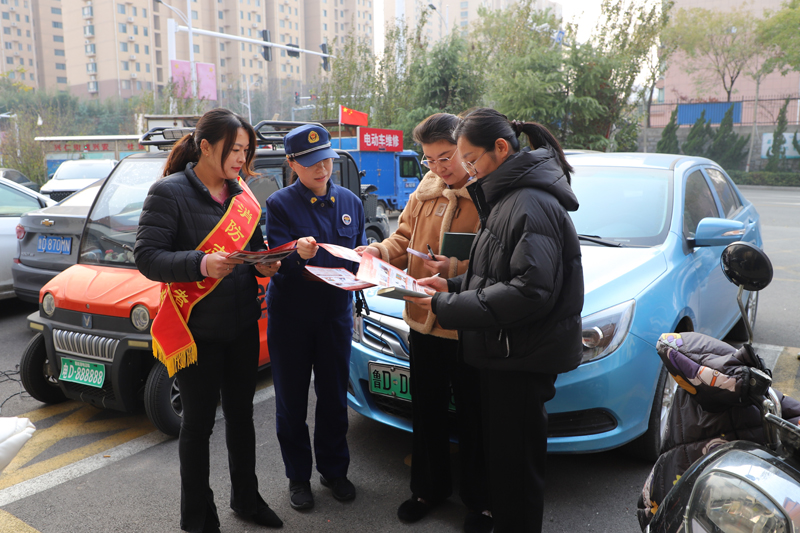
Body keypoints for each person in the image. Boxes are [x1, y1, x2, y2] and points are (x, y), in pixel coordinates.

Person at [407, 108, 584, 533]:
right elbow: (497, 273)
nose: (466, 170)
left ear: (500, 148)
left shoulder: (529, 202)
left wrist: (448, 305)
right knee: (506, 469)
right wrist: (452, 285)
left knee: (515, 475)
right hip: (505, 350)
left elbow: (530, 291)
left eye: (469, 159)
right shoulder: (507, 196)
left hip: (519, 355)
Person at [135, 108, 283, 533]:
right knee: (197, 427)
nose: (241, 159)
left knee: (241, 418)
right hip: (196, 332)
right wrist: (200, 264)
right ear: (205, 146)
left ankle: (247, 499)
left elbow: (254, 249)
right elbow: (147, 257)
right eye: (234, 150)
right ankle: (198, 517)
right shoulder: (169, 192)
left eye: (246, 151)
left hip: (242, 326)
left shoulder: (243, 196)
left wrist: (264, 264)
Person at [354, 113, 492, 533]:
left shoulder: (488, 194)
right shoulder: (424, 191)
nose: (438, 167)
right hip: (423, 319)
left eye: (445, 157)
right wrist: (378, 252)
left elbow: (496, 263)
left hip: (467, 323)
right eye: (430, 159)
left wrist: (453, 267)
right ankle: (427, 490)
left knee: (474, 416)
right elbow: (403, 238)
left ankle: (481, 501)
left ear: (464, 149)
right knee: (427, 411)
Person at [264, 124, 366, 511]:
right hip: (292, 316)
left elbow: (356, 257)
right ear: (292, 164)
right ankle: (298, 477)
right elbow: (274, 265)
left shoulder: (350, 202)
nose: (321, 169)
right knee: (291, 400)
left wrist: (366, 262)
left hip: (335, 314)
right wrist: (296, 256)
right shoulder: (279, 204)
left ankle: (334, 470)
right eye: (310, 163)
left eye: (325, 160)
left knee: (334, 396)